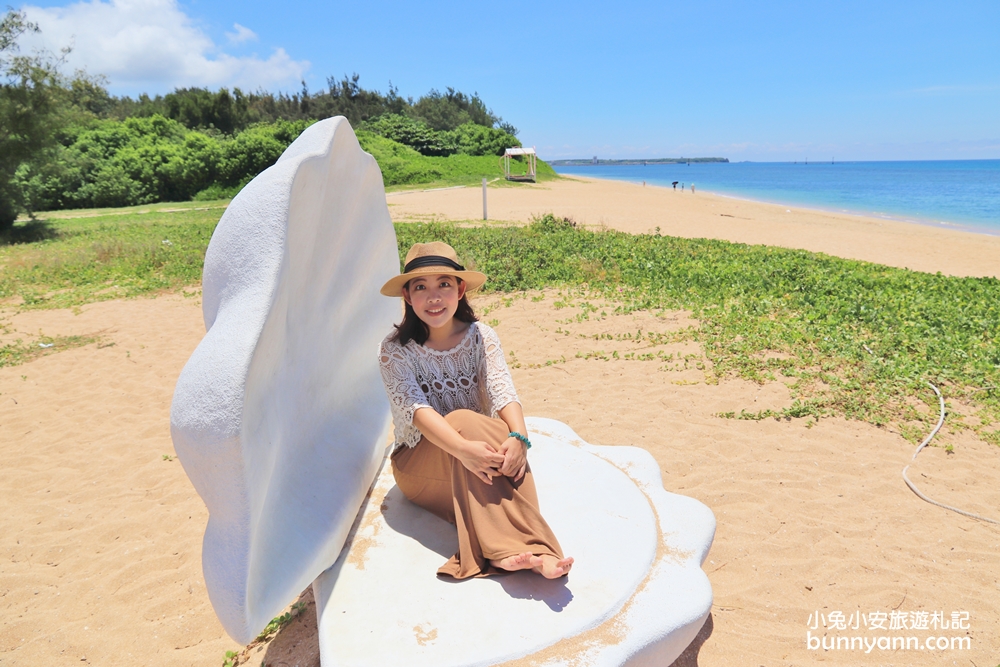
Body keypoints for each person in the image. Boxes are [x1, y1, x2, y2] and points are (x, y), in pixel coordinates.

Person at [377, 241, 574, 580]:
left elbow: (502, 390)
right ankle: (507, 549)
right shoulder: (395, 351)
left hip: (475, 453)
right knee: (464, 421)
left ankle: (530, 552)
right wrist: (462, 449)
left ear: (460, 289)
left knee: (502, 438)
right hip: (420, 466)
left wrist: (519, 438)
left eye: (444, 284)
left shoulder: (482, 336)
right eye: (421, 287)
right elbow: (418, 411)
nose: (434, 297)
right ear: (407, 296)